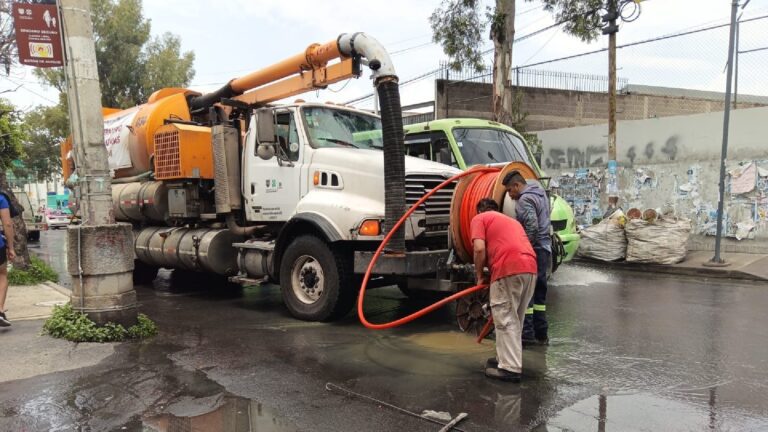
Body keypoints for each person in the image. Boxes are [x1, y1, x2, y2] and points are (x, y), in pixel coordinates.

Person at [471, 198, 537, 382]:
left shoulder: (480, 218)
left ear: (480, 211)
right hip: (531, 267)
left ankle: (510, 369)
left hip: (509, 268)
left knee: (505, 317)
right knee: (516, 317)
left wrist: (479, 276)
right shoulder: (511, 221)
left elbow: (478, 249)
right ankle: (505, 359)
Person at [503, 171, 552, 346]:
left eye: (510, 190)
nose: (509, 195)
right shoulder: (540, 194)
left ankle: (527, 335)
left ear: (517, 186)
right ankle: (542, 334)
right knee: (540, 294)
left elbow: (531, 226)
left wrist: (525, 249)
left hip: (535, 249)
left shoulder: (524, 200)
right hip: (545, 248)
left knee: (527, 293)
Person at [0, 192, 16, 327]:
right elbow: (7, 223)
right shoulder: (1, 197)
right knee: (2, 274)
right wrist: (10, 247)